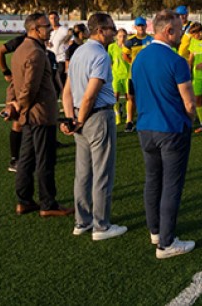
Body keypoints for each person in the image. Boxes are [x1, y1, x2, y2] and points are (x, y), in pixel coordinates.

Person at [132, 9, 197, 258]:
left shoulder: (140, 58)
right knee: (171, 185)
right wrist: (189, 119)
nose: (183, 34)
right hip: (170, 129)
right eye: (180, 29)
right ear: (169, 31)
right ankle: (166, 243)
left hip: (145, 128)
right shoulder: (176, 61)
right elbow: (189, 104)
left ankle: (156, 232)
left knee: (152, 181)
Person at [61, 13, 127, 240]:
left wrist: (71, 119)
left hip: (79, 116)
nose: (115, 31)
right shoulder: (100, 55)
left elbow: (67, 91)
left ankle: (82, 221)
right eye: (112, 28)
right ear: (101, 30)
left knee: (83, 174)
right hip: (97, 117)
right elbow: (90, 94)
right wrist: (79, 120)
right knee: (102, 173)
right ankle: (101, 225)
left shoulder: (79, 51)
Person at [10, 12, 73, 217]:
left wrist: (15, 106)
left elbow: (13, 84)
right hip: (40, 114)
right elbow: (30, 87)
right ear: (34, 29)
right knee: (45, 159)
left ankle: (24, 200)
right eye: (46, 26)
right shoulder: (36, 53)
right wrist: (22, 106)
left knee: (26, 159)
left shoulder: (20, 50)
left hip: (29, 116)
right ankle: (48, 204)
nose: (50, 29)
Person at [0, 32, 27, 172]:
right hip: (20, 85)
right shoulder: (22, 40)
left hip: (37, 82)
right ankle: (15, 159)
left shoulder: (45, 40)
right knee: (18, 121)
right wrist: (6, 72)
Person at [122, 17, 153, 132]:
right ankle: (129, 121)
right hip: (134, 75)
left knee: (147, 97)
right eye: (138, 26)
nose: (141, 28)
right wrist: (134, 64)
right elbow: (124, 55)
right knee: (131, 98)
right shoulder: (130, 41)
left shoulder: (151, 39)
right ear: (135, 27)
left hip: (148, 75)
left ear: (146, 26)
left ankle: (147, 119)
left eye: (142, 25)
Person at [108, 29, 130, 125]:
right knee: (115, 97)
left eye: (124, 36)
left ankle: (128, 117)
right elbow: (109, 61)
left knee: (128, 97)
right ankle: (117, 115)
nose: (122, 38)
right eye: (120, 36)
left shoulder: (129, 47)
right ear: (116, 36)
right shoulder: (111, 47)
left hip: (127, 75)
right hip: (116, 75)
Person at [47, 11, 70, 95]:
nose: (53, 20)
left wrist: (65, 46)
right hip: (50, 60)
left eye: (55, 18)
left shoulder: (63, 30)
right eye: (51, 18)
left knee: (60, 81)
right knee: (52, 82)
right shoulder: (48, 31)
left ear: (58, 18)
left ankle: (65, 99)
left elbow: (71, 41)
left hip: (61, 59)